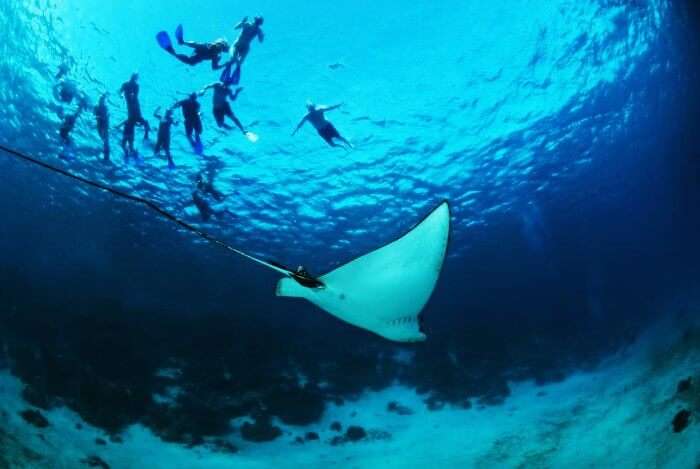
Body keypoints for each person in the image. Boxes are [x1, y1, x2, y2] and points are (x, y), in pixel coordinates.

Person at [156, 25, 229, 70]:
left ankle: (180, 44)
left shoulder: (215, 55)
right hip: (203, 51)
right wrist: (225, 64)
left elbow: (214, 67)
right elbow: (197, 45)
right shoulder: (215, 54)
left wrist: (224, 64)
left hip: (201, 53)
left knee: (191, 61)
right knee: (191, 60)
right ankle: (180, 44)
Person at [119, 73, 150, 140]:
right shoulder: (127, 84)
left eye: (135, 78)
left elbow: (134, 95)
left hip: (134, 105)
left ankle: (146, 134)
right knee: (133, 119)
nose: (135, 79)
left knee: (132, 119)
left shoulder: (134, 85)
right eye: (135, 78)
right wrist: (121, 95)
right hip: (132, 105)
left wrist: (123, 95)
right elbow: (120, 91)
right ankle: (145, 134)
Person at [94, 93, 110, 160]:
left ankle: (106, 154)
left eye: (102, 100)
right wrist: (100, 117)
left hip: (104, 124)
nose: (101, 101)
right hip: (99, 123)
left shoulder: (105, 107)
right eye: (101, 100)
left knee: (105, 139)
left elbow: (107, 115)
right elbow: (94, 114)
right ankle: (105, 151)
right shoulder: (96, 107)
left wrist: (105, 117)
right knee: (102, 137)